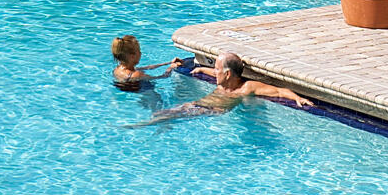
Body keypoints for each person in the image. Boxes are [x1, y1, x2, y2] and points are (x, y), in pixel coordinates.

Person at [127, 52, 314, 127]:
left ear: (228, 74)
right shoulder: (223, 80)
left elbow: (279, 91)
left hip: (212, 110)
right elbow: (213, 72)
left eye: (217, 69)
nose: (214, 72)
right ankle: (153, 124)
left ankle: (138, 126)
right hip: (199, 105)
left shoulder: (246, 87)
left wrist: (297, 98)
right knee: (163, 114)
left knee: (165, 116)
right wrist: (201, 69)